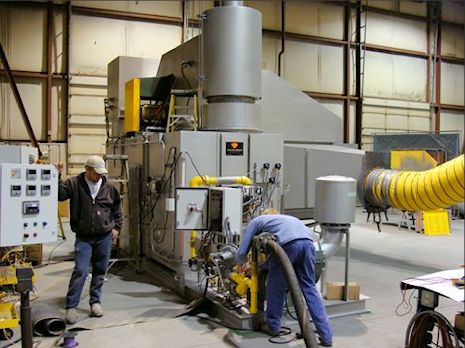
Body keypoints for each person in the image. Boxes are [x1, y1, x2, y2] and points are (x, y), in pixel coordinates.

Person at [236, 208, 333, 347]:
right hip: (309, 244)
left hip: (289, 245)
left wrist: (240, 263)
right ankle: (326, 335)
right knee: (309, 288)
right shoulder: (289, 219)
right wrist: (262, 266)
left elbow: (244, 246)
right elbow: (276, 258)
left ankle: (273, 326)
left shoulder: (258, 221)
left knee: (275, 287)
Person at [57, 155, 122, 324]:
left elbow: (117, 207)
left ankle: (95, 302)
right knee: (80, 270)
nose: (99, 176)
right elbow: (60, 195)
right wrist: (56, 176)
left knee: (100, 271)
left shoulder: (109, 187)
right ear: (87, 169)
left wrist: (117, 227)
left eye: (101, 173)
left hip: (104, 237)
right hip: (84, 237)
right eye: (96, 173)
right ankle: (71, 306)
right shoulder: (74, 183)